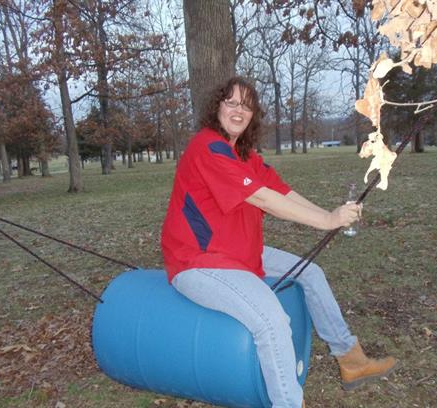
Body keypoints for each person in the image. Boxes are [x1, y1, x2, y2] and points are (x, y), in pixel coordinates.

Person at [161, 77, 397, 408]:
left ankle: (351, 359)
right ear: (217, 107)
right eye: (231, 102)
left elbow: (280, 191)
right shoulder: (207, 147)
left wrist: (329, 215)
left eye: (246, 105)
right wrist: (328, 221)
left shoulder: (244, 155)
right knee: (272, 322)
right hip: (199, 262)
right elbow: (263, 198)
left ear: (253, 114)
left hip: (238, 253)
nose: (238, 110)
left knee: (310, 273)